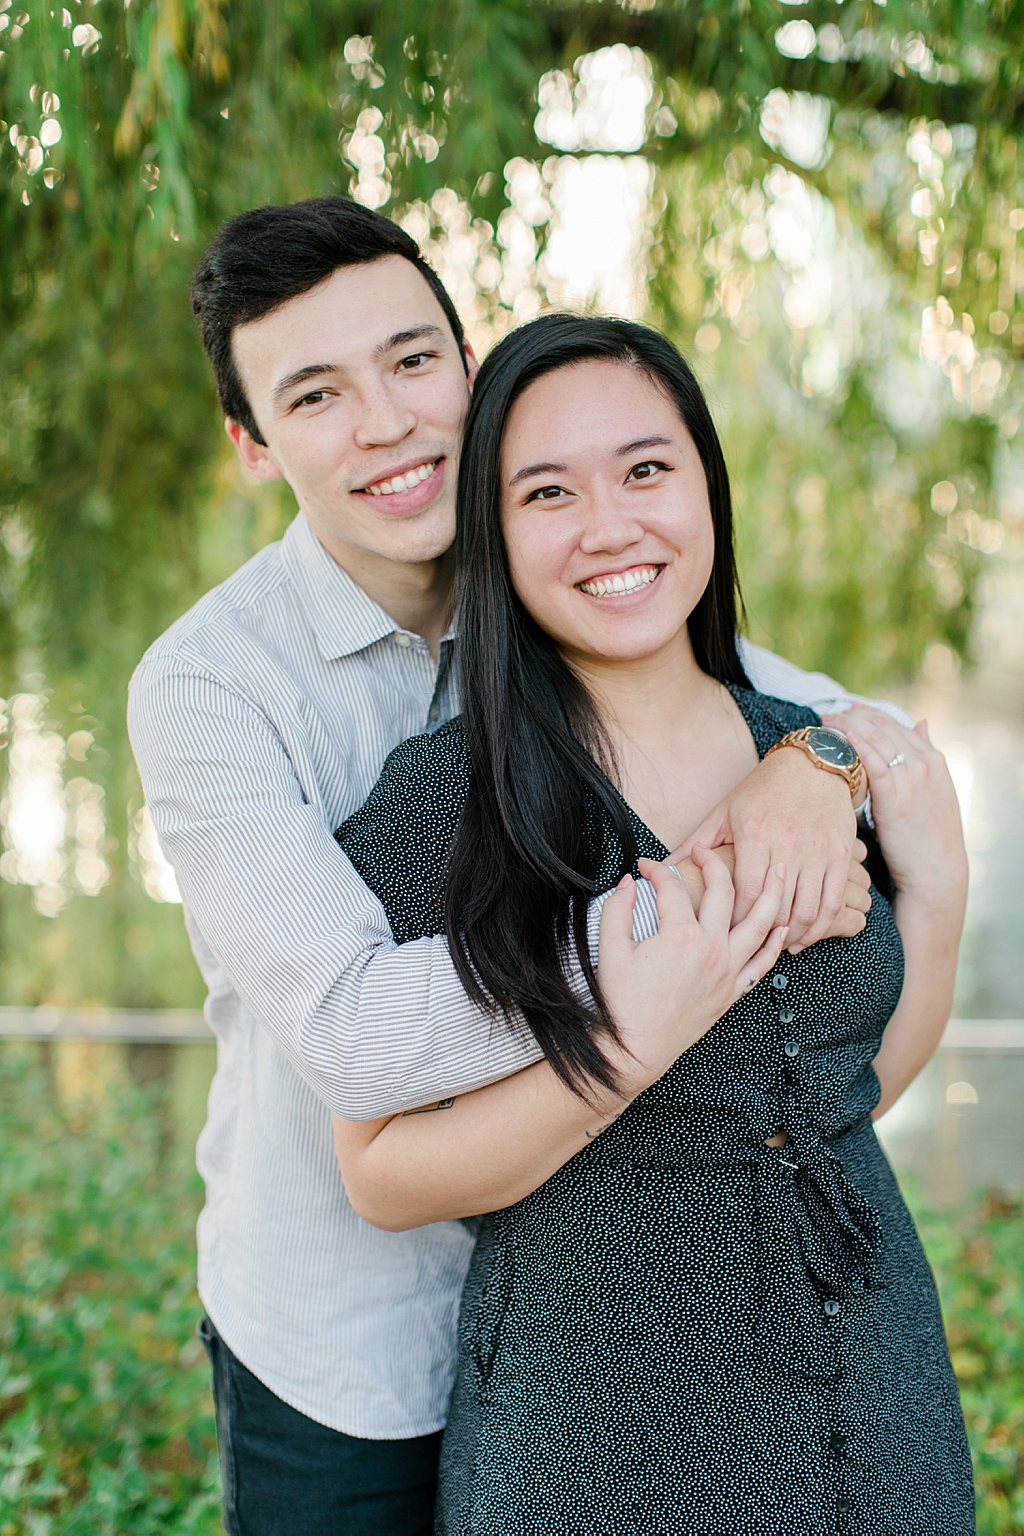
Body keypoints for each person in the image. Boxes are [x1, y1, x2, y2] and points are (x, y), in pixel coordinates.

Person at [129, 196, 901, 1535]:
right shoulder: (211, 688)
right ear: (252, 447)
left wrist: (822, 770)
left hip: (590, 1308)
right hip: (348, 1339)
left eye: (413, 361)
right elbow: (358, 1035)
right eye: (316, 395)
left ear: (470, 373)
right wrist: (671, 944)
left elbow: (845, 727)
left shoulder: (568, 569)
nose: (386, 423)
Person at [331, 313, 973, 1534]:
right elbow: (379, 1175)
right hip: (599, 1430)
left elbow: (848, 1089)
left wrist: (936, 892)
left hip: (874, 1393)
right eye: (547, 492)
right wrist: (629, 1045)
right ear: (495, 533)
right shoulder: (443, 803)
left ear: (706, 488)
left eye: (645, 470)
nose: (611, 526)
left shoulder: (809, 740)